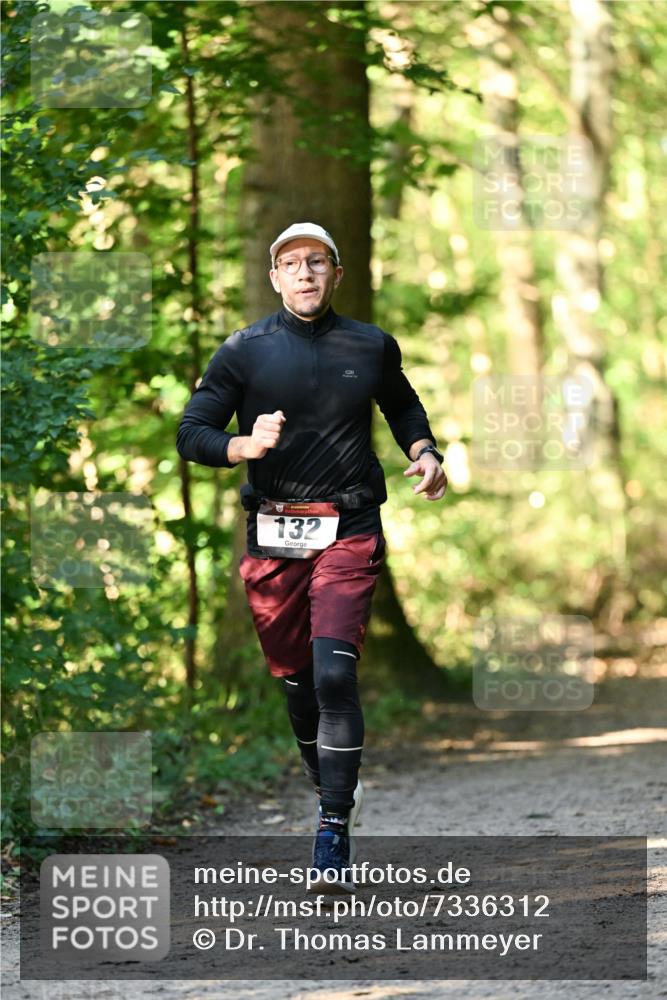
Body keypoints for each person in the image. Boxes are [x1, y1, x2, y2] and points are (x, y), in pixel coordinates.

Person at [177, 221, 447, 893]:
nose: (305, 273)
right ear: (274, 277)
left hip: (351, 522)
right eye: (291, 264)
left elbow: (403, 406)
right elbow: (192, 432)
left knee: (333, 674)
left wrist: (425, 452)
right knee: (297, 681)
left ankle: (331, 827)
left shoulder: (370, 344)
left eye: (317, 263)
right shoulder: (244, 351)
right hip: (275, 532)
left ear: (335, 273)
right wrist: (242, 447)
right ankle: (329, 777)